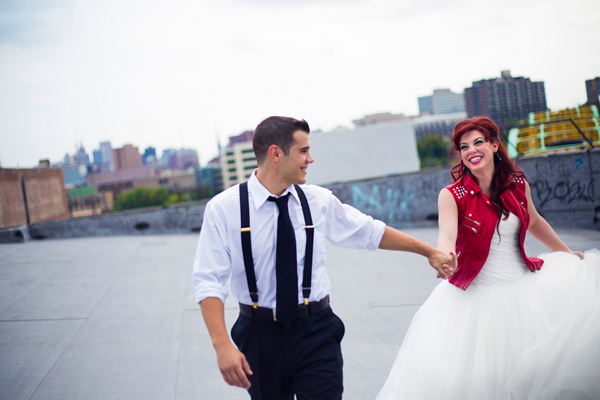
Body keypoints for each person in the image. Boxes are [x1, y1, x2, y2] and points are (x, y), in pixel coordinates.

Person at [193, 116, 454, 400]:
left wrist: (428, 250)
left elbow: (369, 231)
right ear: (276, 154)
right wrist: (222, 347)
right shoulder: (224, 209)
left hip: (316, 330)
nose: (310, 159)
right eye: (303, 150)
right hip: (258, 335)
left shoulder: (318, 200)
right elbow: (209, 281)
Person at [376, 116, 600, 399]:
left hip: (524, 289)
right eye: (464, 146)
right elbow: (447, 235)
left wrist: (566, 253)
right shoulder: (452, 195)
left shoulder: (517, 183)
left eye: (478, 142)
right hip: (476, 297)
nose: (471, 150)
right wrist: (444, 255)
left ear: (495, 145)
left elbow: (534, 221)